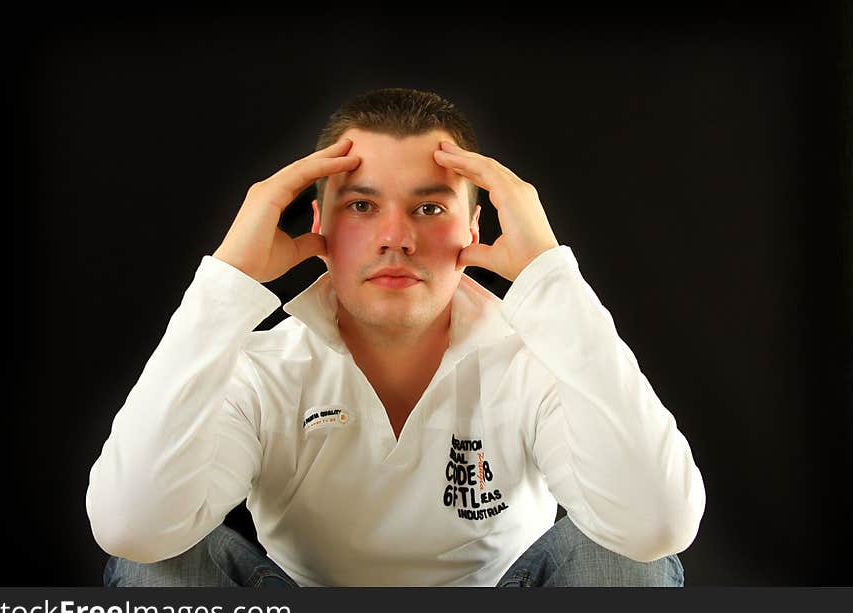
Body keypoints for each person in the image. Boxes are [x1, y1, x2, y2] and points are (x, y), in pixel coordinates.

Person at [87, 87, 705, 587]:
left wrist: (551, 276)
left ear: (476, 225)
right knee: (157, 564)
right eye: (360, 206)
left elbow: (657, 530)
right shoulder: (260, 368)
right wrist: (226, 283)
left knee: (625, 559)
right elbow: (131, 530)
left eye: (430, 208)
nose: (395, 238)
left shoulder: (538, 358)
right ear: (318, 223)